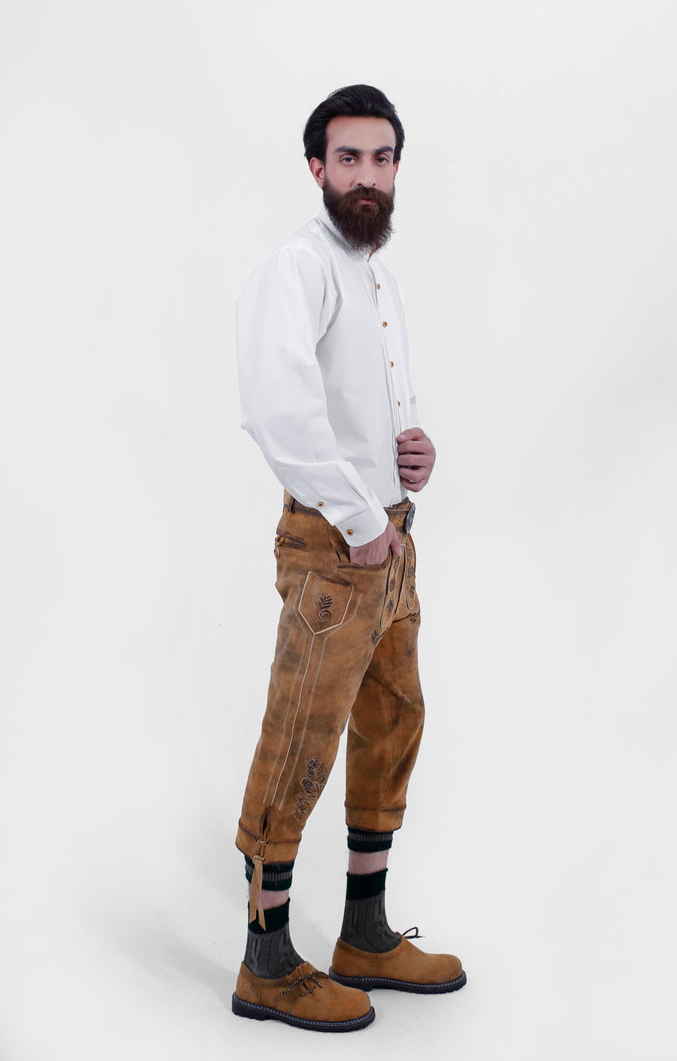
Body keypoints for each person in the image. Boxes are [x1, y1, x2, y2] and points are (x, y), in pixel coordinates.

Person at [231, 84, 466, 1033]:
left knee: (394, 721)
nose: (365, 176)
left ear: (397, 168)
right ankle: (265, 962)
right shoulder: (297, 267)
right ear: (317, 168)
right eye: (348, 158)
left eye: (381, 158)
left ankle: (364, 933)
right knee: (302, 738)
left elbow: (370, 401)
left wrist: (413, 447)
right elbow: (276, 408)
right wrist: (355, 513)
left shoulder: (377, 276)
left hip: (390, 539)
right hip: (337, 549)